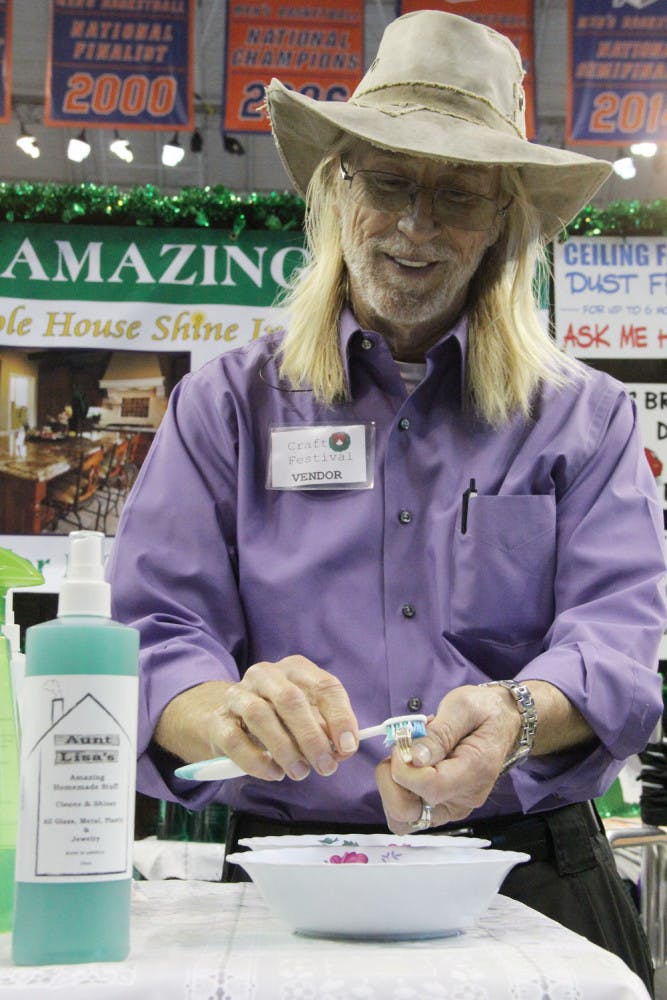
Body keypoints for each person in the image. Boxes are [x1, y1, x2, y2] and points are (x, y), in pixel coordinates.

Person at [107, 10, 666, 994]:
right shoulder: (227, 407)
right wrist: (230, 713)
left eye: (458, 193)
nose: (415, 225)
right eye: (388, 180)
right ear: (336, 186)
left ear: (505, 220)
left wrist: (517, 715)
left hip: (529, 871)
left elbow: (617, 639)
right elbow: (157, 631)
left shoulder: (586, 419)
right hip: (282, 886)